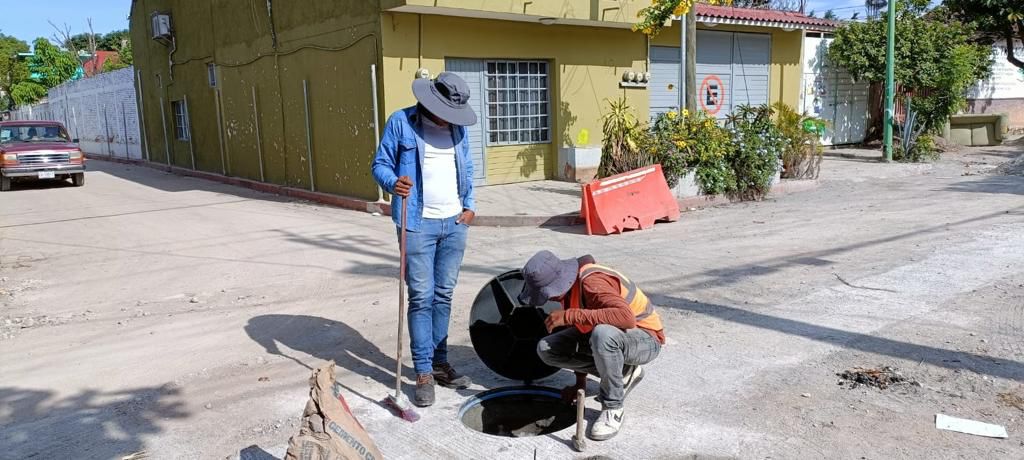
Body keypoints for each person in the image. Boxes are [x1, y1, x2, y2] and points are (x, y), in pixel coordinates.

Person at [371, 72, 478, 408]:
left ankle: (439, 363)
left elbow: (468, 168)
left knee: (443, 295)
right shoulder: (402, 122)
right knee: (422, 297)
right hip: (416, 223)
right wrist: (392, 183)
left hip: (454, 223)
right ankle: (422, 373)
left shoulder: (457, 129)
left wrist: (470, 206)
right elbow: (380, 164)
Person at [518, 250, 665, 441]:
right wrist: (580, 384)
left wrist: (569, 315)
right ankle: (625, 372)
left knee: (603, 334)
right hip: (619, 337)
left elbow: (626, 318)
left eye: (547, 295)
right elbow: (582, 331)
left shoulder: (591, 282)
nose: (549, 300)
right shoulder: (570, 290)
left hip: (646, 338)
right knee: (547, 348)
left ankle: (613, 407)